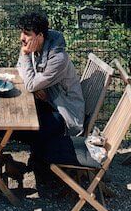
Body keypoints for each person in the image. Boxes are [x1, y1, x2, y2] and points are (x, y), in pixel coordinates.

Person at [16, 11, 85, 166]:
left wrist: (25, 56)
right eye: (22, 33)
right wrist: (34, 85)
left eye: (27, 34)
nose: (22, 38)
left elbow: (30, 83)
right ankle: (39, 158)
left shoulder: (58, 58)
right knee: (15, 118)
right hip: (50, 105)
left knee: (22, 127)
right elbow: (20, 69)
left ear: (40, 36)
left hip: (66, 117)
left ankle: (41, 162)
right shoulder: (38, 47)